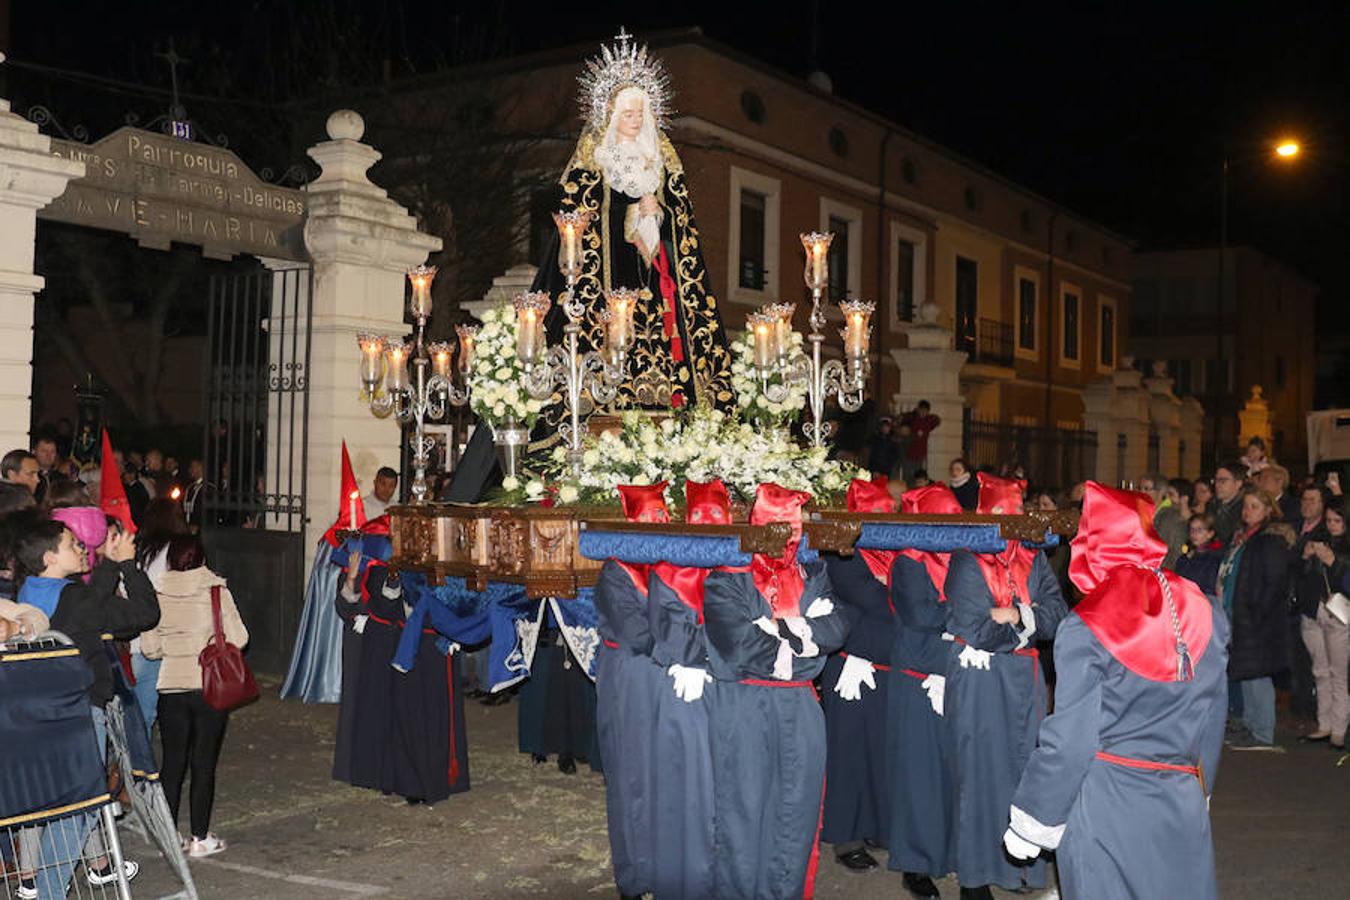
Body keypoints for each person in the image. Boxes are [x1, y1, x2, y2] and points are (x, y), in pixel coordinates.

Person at [1001, 482, 1229, 900]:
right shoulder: (1205, 610)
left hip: (1108, 800)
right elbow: (1213, 718)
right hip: (1179, 795)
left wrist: (1035, 816)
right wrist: (1202, 789)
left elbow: (1071, 738)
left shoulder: (1087, 625)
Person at [531, 30, 732, 415]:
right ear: (610, 114)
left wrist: (656, 210)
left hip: (655, 270)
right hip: (607, 274)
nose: (635, 120)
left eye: (640, 113)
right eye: (627, 113)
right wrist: (626, 212)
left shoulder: (662, 158)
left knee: (662, 336)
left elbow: (683, 221)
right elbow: (576, 215)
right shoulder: (597, 157)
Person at [702, 483, 850, 899]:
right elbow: (739, 645)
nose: (792, 536)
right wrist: (805, 634)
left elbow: (837, 628)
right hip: (744, 706)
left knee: (796, 813)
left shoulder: (812, 574)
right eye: (784, 525)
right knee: (741, 813)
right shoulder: (727, 579)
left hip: (802, 704)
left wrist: (780, 632)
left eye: (798, 526)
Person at [942, 473, 1068, 899]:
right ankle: (974, 878)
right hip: (981, 679)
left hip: (1023, 678)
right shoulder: (966, 560)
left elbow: (1057, 614)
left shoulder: (1035, 558)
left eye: (1015, 514)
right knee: (980, 772)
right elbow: (974, 627)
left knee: (1023, 768)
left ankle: (1020, 869)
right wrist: (1026, 619)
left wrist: (1014, 616)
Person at [14, 515, 157, 889]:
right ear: (49, 557)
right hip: (77, 712)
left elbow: (89, 605)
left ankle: (47, 884)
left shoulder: (28, 592)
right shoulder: (74, 598)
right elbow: (143, 614)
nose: (81, 548)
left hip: (38, 712)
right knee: (77, 808)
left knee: (59, 803)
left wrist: (108, 564)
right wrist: (127, 564)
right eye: (71, 544)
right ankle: (49, 891)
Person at [644, 479, 728, 899]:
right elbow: (669, 631)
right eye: (704, 518)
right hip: (685, 689)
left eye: (719, 518)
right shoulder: (667, 572)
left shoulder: (735, 568)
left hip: (725, 688)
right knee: (689, 789)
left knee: (723, 787)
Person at [139, 536, 247, 857]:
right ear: (202, 559)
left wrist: (173, 648)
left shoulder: (156, 595)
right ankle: (200, 837)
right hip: (209, 687)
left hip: (171, 686)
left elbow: (149, 648)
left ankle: (170, 838)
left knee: (172, 763)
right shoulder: (216, 591)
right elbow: (240, 637)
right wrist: (212, 642)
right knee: (204, 762)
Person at [886, 483, 963, 900]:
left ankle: (950, 851)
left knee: (951, 771)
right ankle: (915, 864)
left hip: (952, 671)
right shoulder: (908, 562)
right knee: (918, 773)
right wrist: (967, 610)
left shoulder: (961, 559)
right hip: (917, 674)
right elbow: (921, 614)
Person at [594, 482, 669, 900]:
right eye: (654, 518)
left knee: (662, 773)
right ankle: (633, 876)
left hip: (663, 672)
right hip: (631, 675)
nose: (661, 525)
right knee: (630, 776)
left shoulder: (666, 564)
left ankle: (661, 864)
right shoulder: (615, 572)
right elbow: (638, 633)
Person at [821, 478, 897, 873]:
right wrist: (890, 591)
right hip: (852, 664)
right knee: (849, 752)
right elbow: (873, 602)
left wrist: (890, 590)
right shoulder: (843, 555)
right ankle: (846, 834)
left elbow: (904, 601)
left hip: (887, 665)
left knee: (881, 751)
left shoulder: (894, 554)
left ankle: (878, 826)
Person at [1220, 488, 1293, 750]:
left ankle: (1262, 732)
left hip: (1256, 615)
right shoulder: (1245, 538)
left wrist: (1257, 610)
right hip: (1239, 611)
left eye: (1254, 506)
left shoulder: (1270, 540)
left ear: (1268, 510)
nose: (1247, 511)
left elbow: (1274, 582)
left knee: (1257, 674)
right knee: (1247, 671)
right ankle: (1251, 726)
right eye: (1246, 506)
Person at [132, 498, 192, 730]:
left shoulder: (140, 549)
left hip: (137, 636)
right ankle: (138, 764)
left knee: (138, 707)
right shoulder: (175, 551)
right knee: (147, 711)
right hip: (161, 637)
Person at [1294, 495, 1350, 749]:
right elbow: (1297, 574)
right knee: (1320, 670)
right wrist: (1305, 558)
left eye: (1337, 521)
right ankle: (1324, 724)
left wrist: (1333, 562)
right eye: (1328, 520)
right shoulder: (1319, 539)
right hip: (1314, 613)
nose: (1331, 525)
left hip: (1339, 615)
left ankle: (1338, 729)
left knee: (1338, 673)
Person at [1142, 473, 1186, 568]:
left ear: (1161, 492)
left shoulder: (1171, 516)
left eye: (1146, 489)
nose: (1141, 492)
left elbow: (1175, 551)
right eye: (1140, 488)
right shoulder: (1147, 512)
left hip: (1161, 572)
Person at [1175, 513, 1224, 600]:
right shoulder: (1187, 556)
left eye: (1199, 530)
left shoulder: (1214, 558)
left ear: (1210, 534)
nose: (1194, 534)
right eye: (1192, 529)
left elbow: (1209, 588)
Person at [898, 401, 940, 479]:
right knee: (908, 476)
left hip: (920, 454)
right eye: (921, 410)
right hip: (908, 452)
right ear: (918, 409)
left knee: (919, 476)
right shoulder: (912, 419)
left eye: (925, 411)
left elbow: (937, 420)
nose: (923, 413)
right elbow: (902, 420)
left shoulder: (928, 421)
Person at [1210, 462, 1245, 546]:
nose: (1217, 485)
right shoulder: (1212, 505)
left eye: (1223, 481)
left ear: (1238, 483)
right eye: (1216, 480)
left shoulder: (1245, 510)